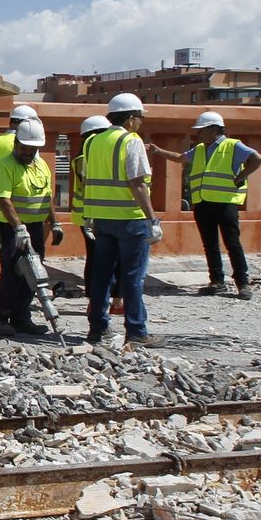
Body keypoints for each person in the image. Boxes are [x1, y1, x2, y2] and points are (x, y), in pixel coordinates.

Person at [146, 111, 261, 300]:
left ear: (214, 130)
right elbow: (180, 158)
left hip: (225, 203)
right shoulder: (200, 149)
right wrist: (158, 151)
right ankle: (216, 281)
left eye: (202, 130)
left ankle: (242, 283)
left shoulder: (232, 145)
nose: (198, 133)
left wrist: (241, 176)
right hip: (202, 203)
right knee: (210, 244)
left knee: (232, 243)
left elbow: (257, 159)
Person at [84, 93, 163, 347]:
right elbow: (137, 183)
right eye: (139, 117)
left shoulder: (93, 142)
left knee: (102, 275)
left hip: (102, 219)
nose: (140, 122)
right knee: (132, 277)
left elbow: (88, 179)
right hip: (131, 219)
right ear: (130, 119)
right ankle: (137, 331)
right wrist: (153, 219)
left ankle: (97, 328)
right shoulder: (131, 141)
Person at [0, 118, 61, 336]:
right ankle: (1, 317)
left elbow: (47, 196)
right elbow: (4, 200)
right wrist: (19, 228)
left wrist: (55, 222)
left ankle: (21, 317)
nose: (28, 152)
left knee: (34, 272)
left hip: (36, 227)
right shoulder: (5, 165)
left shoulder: (41, 166)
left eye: (33, 149)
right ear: (15, 144)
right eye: (24, 148)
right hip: (11, 228)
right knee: (13, 272)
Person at [72, 114, 122, 316]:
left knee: (101, 258)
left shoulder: (84, 158)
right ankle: (100, 301)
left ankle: (108, 301)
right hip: (96, 215)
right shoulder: (86, 159)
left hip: (92, 214)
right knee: (103, 258)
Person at [0, 104, 40, 230]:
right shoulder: (25, 144)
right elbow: (33, 175)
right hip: (12, 204)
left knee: (5, 234)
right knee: (18, 238)